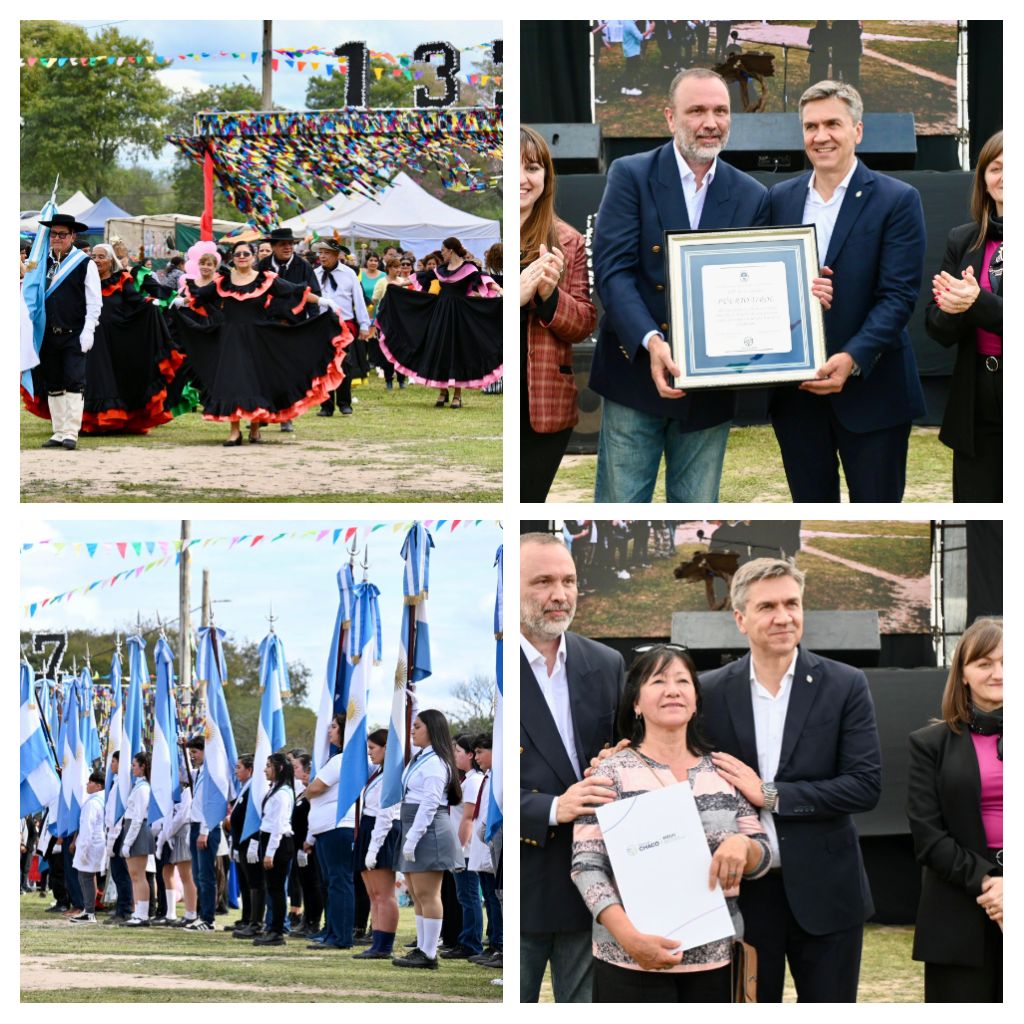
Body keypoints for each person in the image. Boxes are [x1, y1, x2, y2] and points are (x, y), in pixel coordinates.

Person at [700, 558, 882, 1002]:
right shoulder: (709, 690)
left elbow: (864, 785)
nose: (783, 617)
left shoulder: (845, 684)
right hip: (743, 895)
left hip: (828, 894)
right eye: (767, 607)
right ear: (740, 619)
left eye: (792, 603)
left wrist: (771, 795)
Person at [589, 69, 770, 502]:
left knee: (695, 512)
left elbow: (754, 288)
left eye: (721, 111)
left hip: (709, 393)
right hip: (634, 374)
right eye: (697, 111)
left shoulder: (751, 194)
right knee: (621, 505)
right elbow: (612, 271)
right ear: (671, 118)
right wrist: (652, 343)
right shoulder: (630, 174)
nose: (711, 122)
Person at [573, 646, 771, 1001]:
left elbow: (764, 856)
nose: (672, 690)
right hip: (628, 962)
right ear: (635, 702)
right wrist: (629, 938)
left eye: (683, 681)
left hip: (716, 963)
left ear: (695, 700)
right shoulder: (609, 773)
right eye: (658, 681)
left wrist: (745, 847)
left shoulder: (724, 772)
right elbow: (586, 867)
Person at [768, 81, 926, 501]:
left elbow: (899, 296)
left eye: (832, 124)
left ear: (857, 130)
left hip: (873, 393)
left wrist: (853, 357)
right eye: (811, 126)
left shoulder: (898, 200)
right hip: (796, 396)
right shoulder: (779, 199)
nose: (821, 136)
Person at [519, 532, 626, 1002]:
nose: (560, 595)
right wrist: (551, 807)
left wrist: (618, 763)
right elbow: (467, 780)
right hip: (521, 876)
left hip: (594, 883)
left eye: (569, 580)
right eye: (543, 581)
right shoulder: (490, 663)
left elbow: (630, 753)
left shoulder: (605, 663)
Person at [172, 239, 350, 446]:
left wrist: (320, 300)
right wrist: (181, 301)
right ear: (232, 258)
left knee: (256, 383)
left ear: (253, 257)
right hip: (230, 339)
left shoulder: (265, 279)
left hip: (258, 339)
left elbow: (293, 291)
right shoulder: (223, 281)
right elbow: (201, 295)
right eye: (238, 254)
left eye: (246, 254)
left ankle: (255, 429)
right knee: (233, 383)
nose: (241, 258)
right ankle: (234, 431)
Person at [907, 618, 1002, 1002]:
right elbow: (928, 838)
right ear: (963, 673)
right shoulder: (929, 744)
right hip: (958, 911)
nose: (999, 673)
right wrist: (993, 883)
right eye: (985, 663)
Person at [520, 126, 598, 502]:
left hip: (544, 405)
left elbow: (583, 322)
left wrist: (550, 298)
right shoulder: (486, 238)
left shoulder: (568, 240)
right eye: (513, 167)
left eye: (532, 168)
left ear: (546, 177)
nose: (523, 179)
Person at [924, 131, 1003, 502]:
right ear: (984, 180)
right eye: (996, 168)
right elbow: (937, 330)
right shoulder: (963, 239)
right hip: (976, 402)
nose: (1004, 177)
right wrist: (951, 307)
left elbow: (984, 306)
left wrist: (977, 301)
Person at [376, 236, 503, 410]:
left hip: (460, 316)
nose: (441, 253)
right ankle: (443, 392)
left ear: (451, 250)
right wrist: (398, 285)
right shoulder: (441, 269)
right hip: (441, 314)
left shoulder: (468, 268)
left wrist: (500, 289)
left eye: (443, 250)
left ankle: (457, 395)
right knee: (440, 351)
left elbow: (484, 279)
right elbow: (422, 277)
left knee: (458, 353)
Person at [392, 709, 463, 970]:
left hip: (427, 827)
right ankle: (422, 948)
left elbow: (431, 801)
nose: (412, 730)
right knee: (417, 892)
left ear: (431, 730)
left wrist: (414, 836)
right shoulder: (423, 757)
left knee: (428, 893)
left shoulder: (435, 762)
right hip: (414, 823)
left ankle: (429, 953)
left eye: (418, 726)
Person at [25, 212, 101, 450]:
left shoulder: (84, 264)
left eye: (62, 234)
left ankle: (71, 432)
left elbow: (94, 301)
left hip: (74, 333)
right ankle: (58, 432)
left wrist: (88, 331)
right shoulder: (40, 263)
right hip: (47, 333)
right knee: (53, 383)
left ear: (72, 236)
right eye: (53, 234)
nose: (57, 238)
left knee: (74, 382)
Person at [303, 714, 356, 950]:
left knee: (339, 881)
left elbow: (315, 788)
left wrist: (306, 790)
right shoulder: (339, 759)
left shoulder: (342, 760)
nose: (329, 731)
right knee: (331, 882)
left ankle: (341, 936)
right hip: (326, 829)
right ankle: (332, 931)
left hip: (338, 827)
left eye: (334, 727)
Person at [354, 728, 402, 960]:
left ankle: (385, 945)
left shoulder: (392, 775)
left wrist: (374, 847)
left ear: (386, 748)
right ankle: (377, 942)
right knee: (373, 894)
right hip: (368, 828)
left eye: (373, 748)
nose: (369, 753)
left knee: (384, 894)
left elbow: (386, 814)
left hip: (381, 830)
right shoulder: (378, 773)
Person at [314, 240, 371, 417]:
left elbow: (359, 300)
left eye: (327, 253)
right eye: (320, 252)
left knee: (345, 363)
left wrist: (364, 325)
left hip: (344, 323)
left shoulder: (349, 274)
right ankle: (326, 405)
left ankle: (345, 402)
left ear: (337, 255)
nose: (322, 256)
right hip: (321, 324)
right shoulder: (314, 273)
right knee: (325, 365)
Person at [446, 734, 484, 960]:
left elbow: (468, 819)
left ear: (470, 755)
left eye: (458, 751)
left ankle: (471, 943)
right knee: (464, 897)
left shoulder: (473, 781)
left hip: (467, 850)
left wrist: (459, 849)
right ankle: (466, 939)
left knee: (469, 897)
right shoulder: (466, 780)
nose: (454, 755)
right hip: (461, 848)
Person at [250, 753, 295, 946]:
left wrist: (270, 853)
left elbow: (278, 825)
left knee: (276, 889)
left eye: (269, 766)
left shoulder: (283, 793)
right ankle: (272, 927)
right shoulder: (275, 790)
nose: (265, 769)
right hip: (268, 838)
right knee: (272, 888)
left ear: (280, 768)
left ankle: (277, 931)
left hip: (278, 842)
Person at [111, 751, 156, 927]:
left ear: (142, 766)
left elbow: (138, 818)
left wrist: (127, 842)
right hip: (132, 829)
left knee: (139, 875)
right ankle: (138, 912)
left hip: (137, 831)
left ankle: (142, 914)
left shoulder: (144, 788)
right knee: (134, 875)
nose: (132, 768)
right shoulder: (139, 786)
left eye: (134, 764)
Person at [469, 733, 502, 967]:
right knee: (490, 898)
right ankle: (494, 943)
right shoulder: (487, 777)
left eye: (481, 752)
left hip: (494, 843)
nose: (476, 757)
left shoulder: (499, 777)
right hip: (483, 845)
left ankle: (500, 944)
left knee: (497, 897)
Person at [151, 772, 197, 927]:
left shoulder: (187, 791)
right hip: (169, 833)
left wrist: (167, 832)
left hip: (181, 833)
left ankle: (191, 913)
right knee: (166, 873)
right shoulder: (172, 792)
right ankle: (170, 913)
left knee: (186, 875)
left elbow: (182, 815)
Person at [184, 735, 219, 932]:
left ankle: (208, 918)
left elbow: (212, 804)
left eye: (195, 752)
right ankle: (201, 914)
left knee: (206, 876)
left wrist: (205, 831)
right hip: (195, 825)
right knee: (197, 875)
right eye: (191, 753)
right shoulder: (201, 772)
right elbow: (184, 772)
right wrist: (182, 748)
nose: (193, 757)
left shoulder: (213, 773)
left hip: (206, 827)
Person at [69, 771, 108, 924]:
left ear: (98, 786)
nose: (87, 784)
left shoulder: (93, 803)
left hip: (91, 843)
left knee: (85, 877)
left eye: (90, 782)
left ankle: (89, 911)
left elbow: (87, 827)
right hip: (94, 842)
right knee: (87, 876)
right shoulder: (100, 800)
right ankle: (88, 910)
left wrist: (82, 848)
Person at [369, 257, 410, 391]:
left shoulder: (403, 282)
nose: (398, 270)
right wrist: (372, 321)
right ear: (388, 268)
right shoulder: (381, 282)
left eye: (399, 267)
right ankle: (388, 380)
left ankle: (401, 379)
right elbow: (374, 303)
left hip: (400, 321)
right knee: (386, 352)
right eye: (395, 267)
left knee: (401, 351)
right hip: (385, 320)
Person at [103, 751, 134, 925]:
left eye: (114, 761)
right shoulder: (115, 783)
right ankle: (120, 909)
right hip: (112, 831)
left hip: (119, 832)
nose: (111, 765)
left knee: (122, 875)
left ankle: (125, 910)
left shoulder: (124, 784)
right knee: (116, 874)